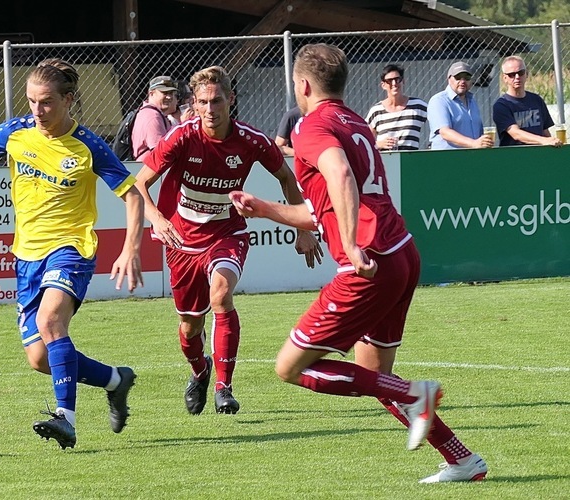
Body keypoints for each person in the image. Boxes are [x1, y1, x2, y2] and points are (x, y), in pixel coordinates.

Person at [229, 43, 487, 483]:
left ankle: (415, 394)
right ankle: (461, 459)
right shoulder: (356, 123)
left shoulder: (311, 125)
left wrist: (349, 245)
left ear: (302, 85)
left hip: (368, 261)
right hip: (400, 253)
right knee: (371, 375)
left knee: (290, 367)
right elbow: (326, 207)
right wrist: (266, 208)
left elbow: (341, 176)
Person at [0, 58, 143, 450]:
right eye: (32, 101)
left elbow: (132, 194)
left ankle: (66, 419)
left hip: (71, 248)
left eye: (46, 102)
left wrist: (130, 248)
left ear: (68, 100)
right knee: (39, 358)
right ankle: (116, 380)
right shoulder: (15, 132)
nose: (37, 110)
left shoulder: (88, 145)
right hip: (27, 255)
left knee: (51, 321)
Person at [135, 66, 322, 415]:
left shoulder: (251, 140)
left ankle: (224, 387)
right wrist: (157, 218)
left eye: (217, 100)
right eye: (203, 102)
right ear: (194, 103)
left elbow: (286, 177)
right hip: (182, 240)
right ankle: (200, 371)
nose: (210, 109)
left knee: (221, 295)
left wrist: (303, 228)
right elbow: (139, 183)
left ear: (230, 99)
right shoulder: (181, 137)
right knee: (189, 327)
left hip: (227, 233)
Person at [493, 56, 561, 148]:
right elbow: (516, 133)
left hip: (539, 153)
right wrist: (543, 141)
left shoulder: (537, 100)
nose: (517, 77)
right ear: (504, 78)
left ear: (526, 74)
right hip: (514, 155)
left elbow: (544, 131)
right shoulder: (502, 105)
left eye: (520, 73)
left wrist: (551, 145)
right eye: (512, 75)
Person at [427, 61, 493, 150]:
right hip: (447, 156)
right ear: (449, 79)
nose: (462, 81)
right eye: (458, 77)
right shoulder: (439, 101)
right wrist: (473, 143)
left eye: (467, 78)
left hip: (472, 156)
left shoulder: (472, 101)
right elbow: (445, 132)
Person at [365, 64, 428, 151]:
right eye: (389, 81)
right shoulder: (376, 111)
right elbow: (365, 141)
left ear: (403, 81)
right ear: (383, 85)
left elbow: (438, 122)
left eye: (397, 79)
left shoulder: (418, 106)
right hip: (385, 158)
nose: (394, 84)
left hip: (410, 158)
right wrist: (379, 144)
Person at [131, 75, 177, 162]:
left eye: (171, 93)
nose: (169, 97)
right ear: (151, 93)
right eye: (165, 93)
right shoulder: (153, 116)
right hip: (149, 168)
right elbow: (161, 153)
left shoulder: (148, 112)